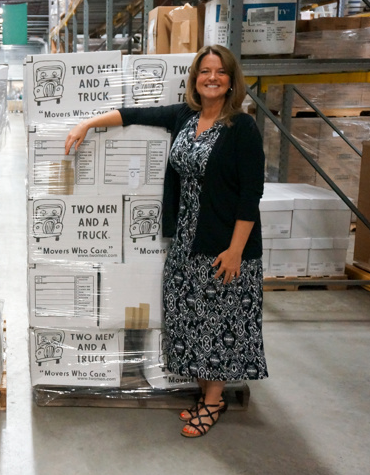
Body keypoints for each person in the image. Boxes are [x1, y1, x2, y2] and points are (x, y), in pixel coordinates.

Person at [65, 44, 267, 438]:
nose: (212, 78)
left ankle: (212, 402)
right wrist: (88, 124)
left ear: (231, 81)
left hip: (224, 242)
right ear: (195, 79)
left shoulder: (241, 128)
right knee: (194, 320)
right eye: (205, 71)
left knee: (221, 322)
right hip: (186, 241)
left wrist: (236, 250)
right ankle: (209, 395)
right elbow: (133, 113)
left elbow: (250, 193)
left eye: (220, 72)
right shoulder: (185, 116)